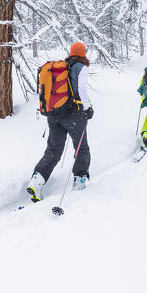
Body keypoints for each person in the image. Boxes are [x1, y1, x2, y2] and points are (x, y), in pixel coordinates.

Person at [27, 41, 93, 202]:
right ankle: (79, 180)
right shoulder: (81, 68)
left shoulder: (62, 67)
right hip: (74, 115)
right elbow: (82, 90)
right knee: (81, 148)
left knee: (54, 150)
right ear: (83, 54)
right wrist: (88, 108)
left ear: (71, 53)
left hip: (54, 114)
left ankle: (37, 180)